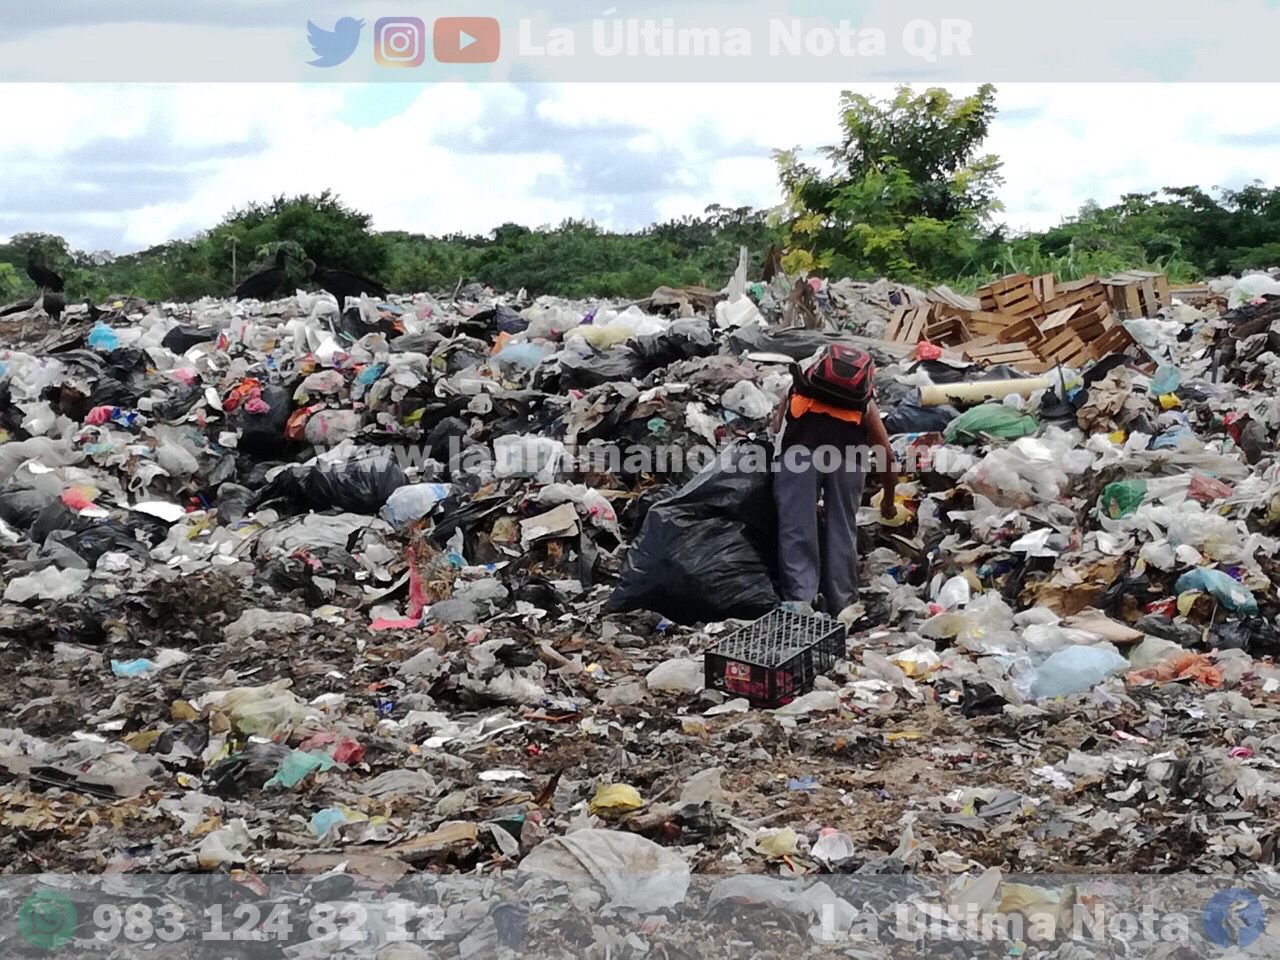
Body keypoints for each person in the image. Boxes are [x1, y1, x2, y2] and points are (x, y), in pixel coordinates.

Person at [770, 347, 897, 616]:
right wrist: (888, 500)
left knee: (797, 530)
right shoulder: (863, 402)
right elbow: (886, 452)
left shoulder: (800, 385)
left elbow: (777, 426)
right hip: (850, 457)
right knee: (842, 530)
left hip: (798, 455)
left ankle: (800, 604)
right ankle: (844, 607)